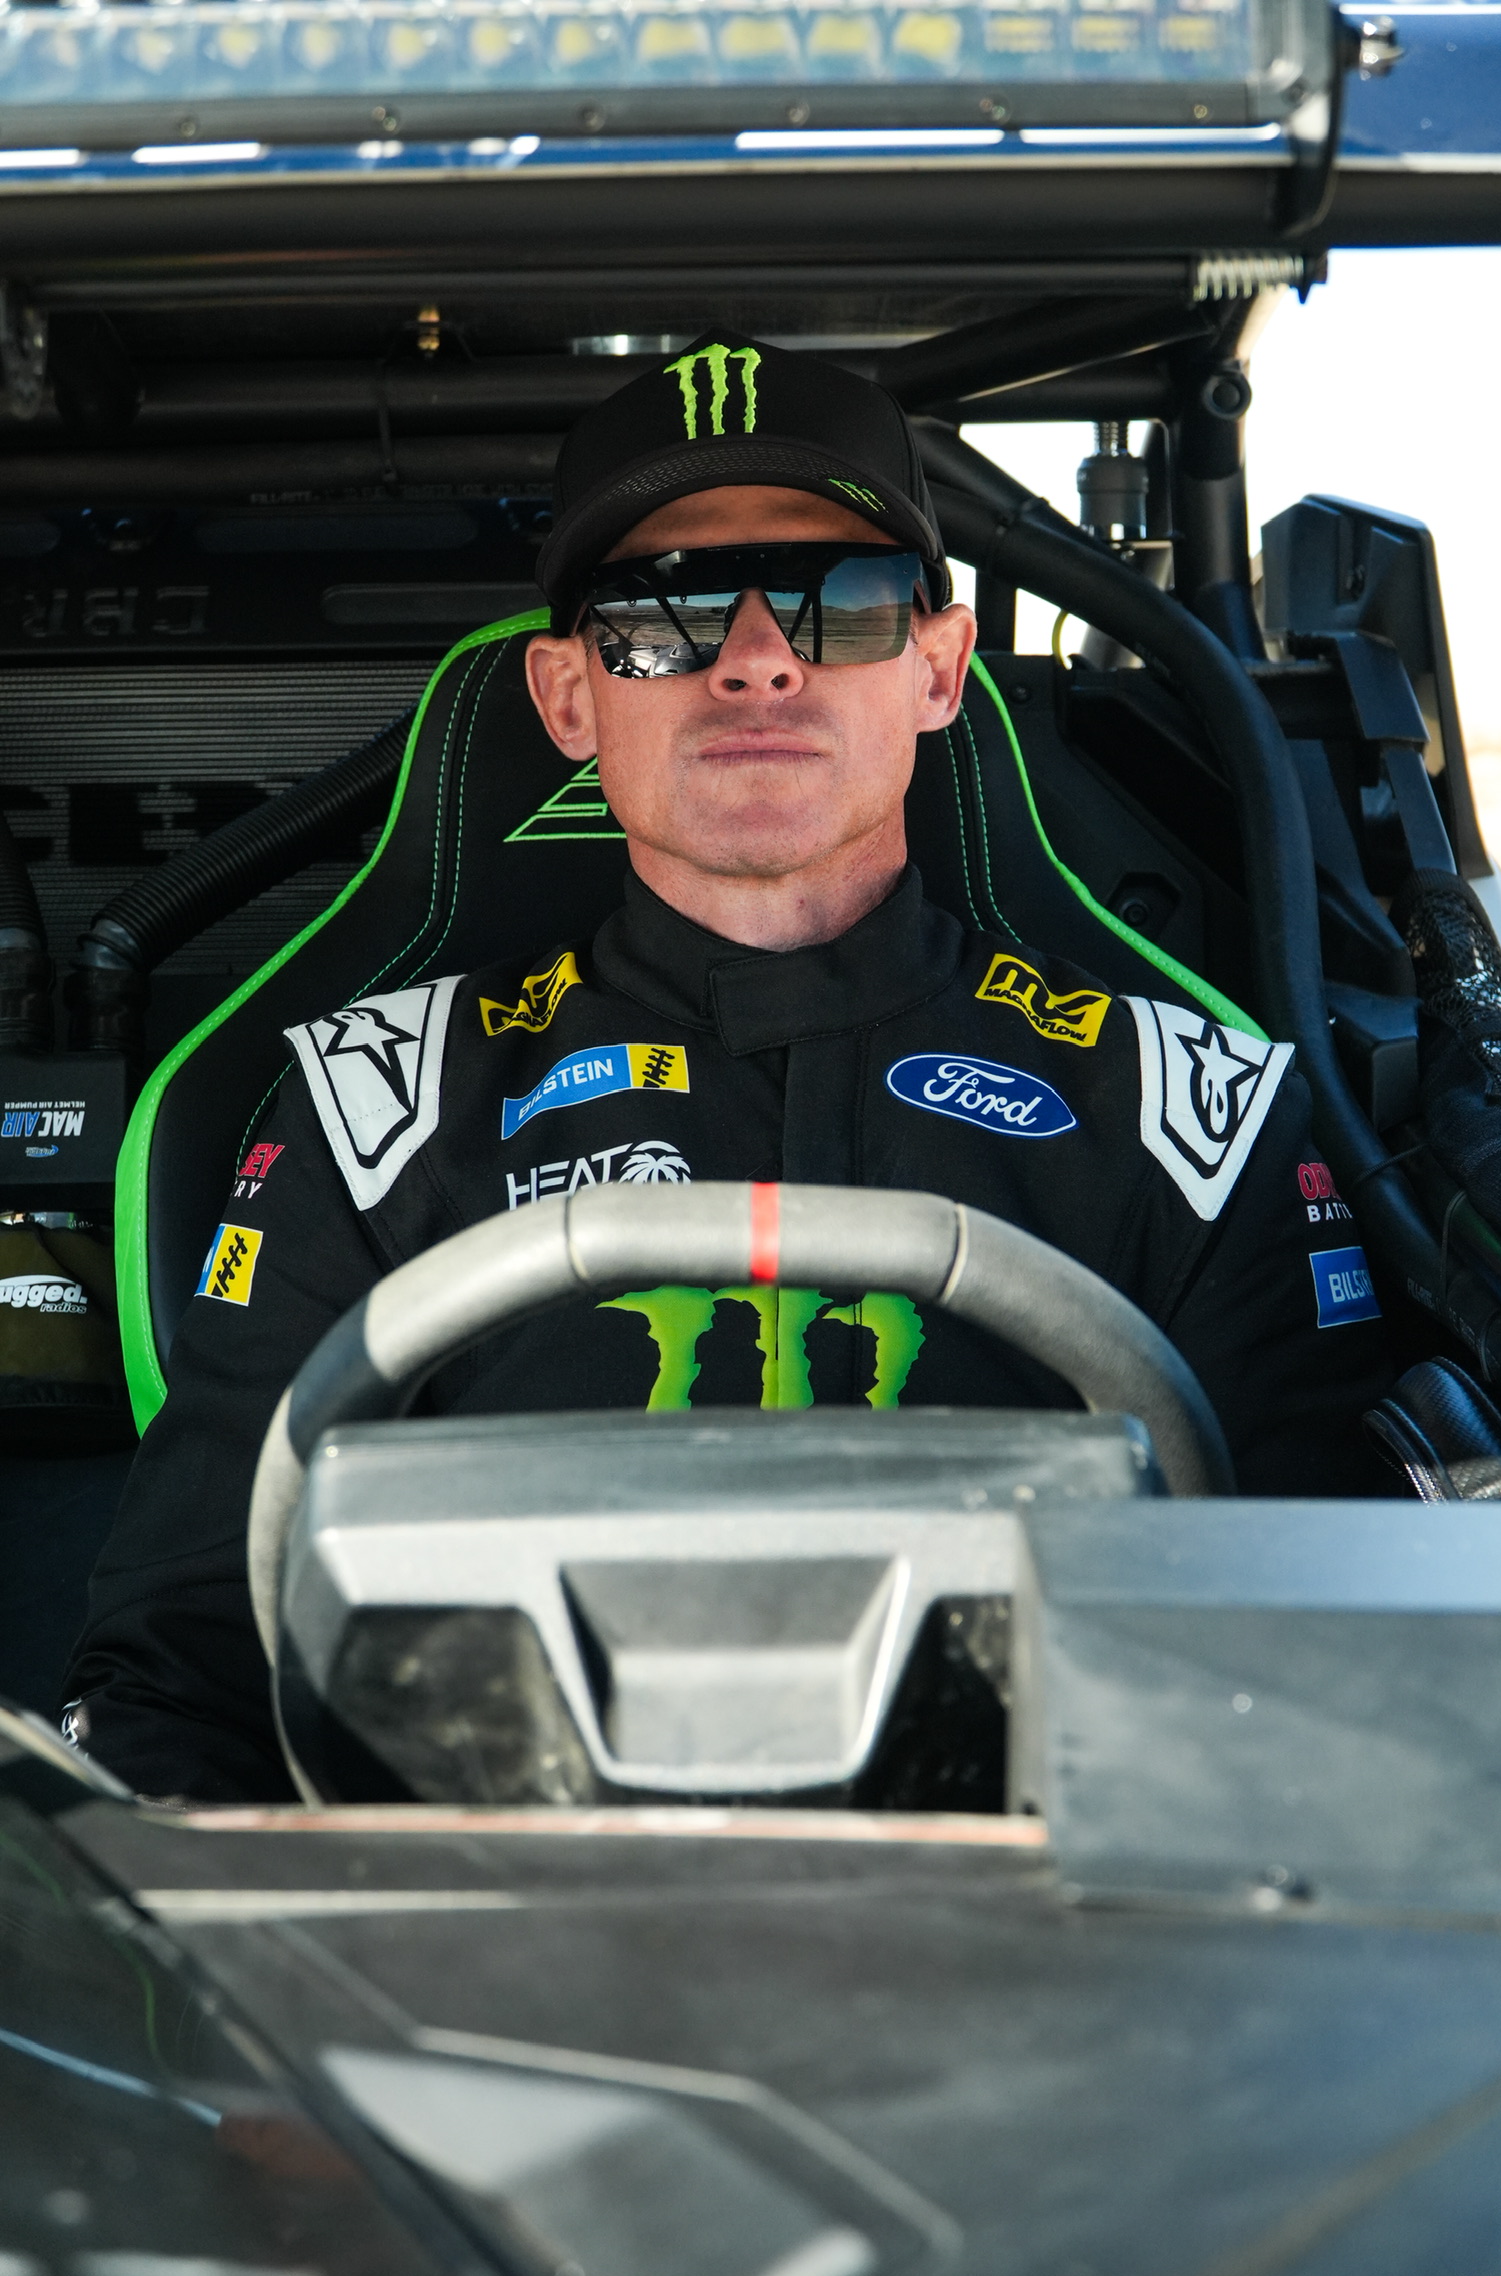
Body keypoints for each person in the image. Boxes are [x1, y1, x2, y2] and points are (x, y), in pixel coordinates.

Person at [63, 336, 1395, 1801]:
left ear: (939, 669)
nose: (756, 658)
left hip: (1034, 1906)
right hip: (494, 1909)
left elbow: (1327, 1679)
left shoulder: (1189, 1112)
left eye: (847, 601)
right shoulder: (378, 1107)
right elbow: (186, 1673)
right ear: (570, 698)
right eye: (665, 611)